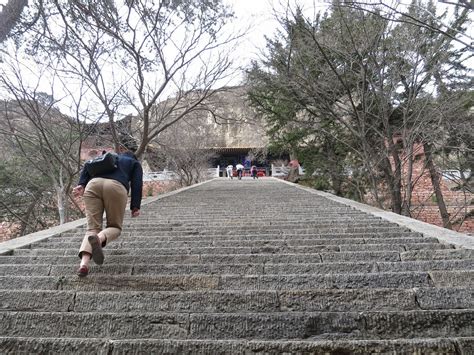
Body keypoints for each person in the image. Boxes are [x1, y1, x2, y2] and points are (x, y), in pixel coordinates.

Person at [72, 135, 143, 277]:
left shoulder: (109, 157)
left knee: (92, 228)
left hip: (93, 185)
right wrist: (135, 206)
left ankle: (84, 264)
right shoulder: (133, 163)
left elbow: (88, 164)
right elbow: (137, 184)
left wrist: (81, 184)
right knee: (115, 227)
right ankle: (100, 238)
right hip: (116, 187)